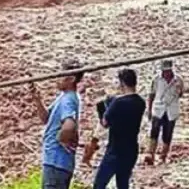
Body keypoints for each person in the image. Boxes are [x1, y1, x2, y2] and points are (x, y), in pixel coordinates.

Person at [29, 59, 83, 189]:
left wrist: (61, 138)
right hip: (56, 163)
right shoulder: (64, 97)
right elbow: (46, 119)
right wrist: (37, 99)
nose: (56, 78)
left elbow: (69, 124)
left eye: (60, 75)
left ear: (71, 78)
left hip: (56, 162)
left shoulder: (68, 100)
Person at [93, 69, 146, 189]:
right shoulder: (141, 102)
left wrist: (101, 107)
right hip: (131, 150)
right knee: (123, 184)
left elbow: (105, 123)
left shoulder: (118, 103)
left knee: (99, 184)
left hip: (115, 150)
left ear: (122, 83)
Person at [145, 59, 186, 165]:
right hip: (159, 108)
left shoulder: (178, 80)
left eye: (168, 71)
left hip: (171, 110)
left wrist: (177, 92)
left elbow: (181, 93)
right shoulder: (157, 79)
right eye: (164, 71)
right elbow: (151, 94)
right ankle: (150, 153)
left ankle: (163, 155)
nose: (166, 73)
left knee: (168, 133)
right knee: (154, 131)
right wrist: (149, 110)